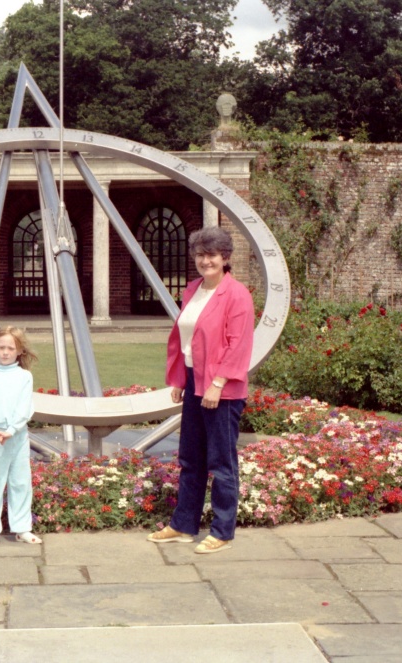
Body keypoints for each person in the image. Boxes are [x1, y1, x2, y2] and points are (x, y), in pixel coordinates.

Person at [148, 226, 254, 554]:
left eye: (212, 255)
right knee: (190, 458)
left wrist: (218, 384)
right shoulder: (193, 289)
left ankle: (222, 531)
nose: (205, 260)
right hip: (195, 381)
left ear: (225, 258)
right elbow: (186, 338)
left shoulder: (237, 294)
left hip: (222, 388)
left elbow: (239, 345)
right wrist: (181, 380)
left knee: (221, 461)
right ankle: (183, 525)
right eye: (200, 255)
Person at [0, 326, 42, 547]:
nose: (5, 352)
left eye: (10, 348)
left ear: (19, 350)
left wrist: (12, 430)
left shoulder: (24, 376)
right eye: (1, 347)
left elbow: (24, 407)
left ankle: (22, 528)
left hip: (17, 437)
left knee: (20, 482)